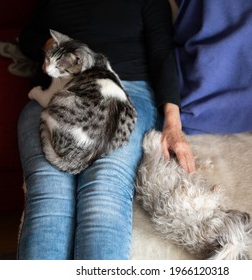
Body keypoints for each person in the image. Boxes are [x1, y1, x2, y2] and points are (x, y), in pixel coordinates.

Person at [17, 0, 195, 260]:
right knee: (49, 191)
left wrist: (173, 124)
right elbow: (27, 36)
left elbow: (162, 53)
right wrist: (50, 47)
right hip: (58, 91)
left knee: (103, 190)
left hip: (124, 95)